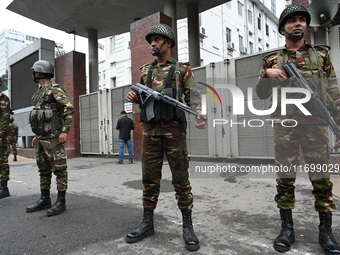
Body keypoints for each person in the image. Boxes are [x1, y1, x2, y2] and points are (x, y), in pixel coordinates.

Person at [255, 4, 340, 254]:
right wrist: (266, 74)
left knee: (321, 179)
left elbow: (334, 91)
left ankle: (326, 231)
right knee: (285, 178)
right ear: (283, 29)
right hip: (286, 126)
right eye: (292, 21)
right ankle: (287, 229)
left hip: (316, 125)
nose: (298, 24)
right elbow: (260, 95)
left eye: (302, 20)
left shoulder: (321, 55)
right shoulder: (272, 59)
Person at [125, 23, 206, 251]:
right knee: (149, 181)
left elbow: (193, 96)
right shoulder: (145, 71)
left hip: (174, 133)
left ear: (168, 42)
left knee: (181, 180)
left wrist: (199, 114)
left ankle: (187, 227)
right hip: (150, 133)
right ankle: (147, 223)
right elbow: (141, 98)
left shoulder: (182, 69)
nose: (152, 43)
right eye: (151, 40)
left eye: (157, 40)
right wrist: (133, 96)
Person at [26, 60, 74, 217]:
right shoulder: (39, 92)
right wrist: (36, 136)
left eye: (34, 71)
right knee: (43, 170)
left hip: (53, 138)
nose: (33, 74)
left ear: (39, 73)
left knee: (59, 170)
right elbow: (39, 118)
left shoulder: (54, 89)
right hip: (41, 138)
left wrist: (64, 131)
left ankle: (61, 202)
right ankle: (45, 199)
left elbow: (68, 108)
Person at [0, 91, 11, 199]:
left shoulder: (3, 98)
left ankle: (4, 188)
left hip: (1, 136)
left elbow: (5, 118)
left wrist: (1, 134)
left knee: (2, 161)